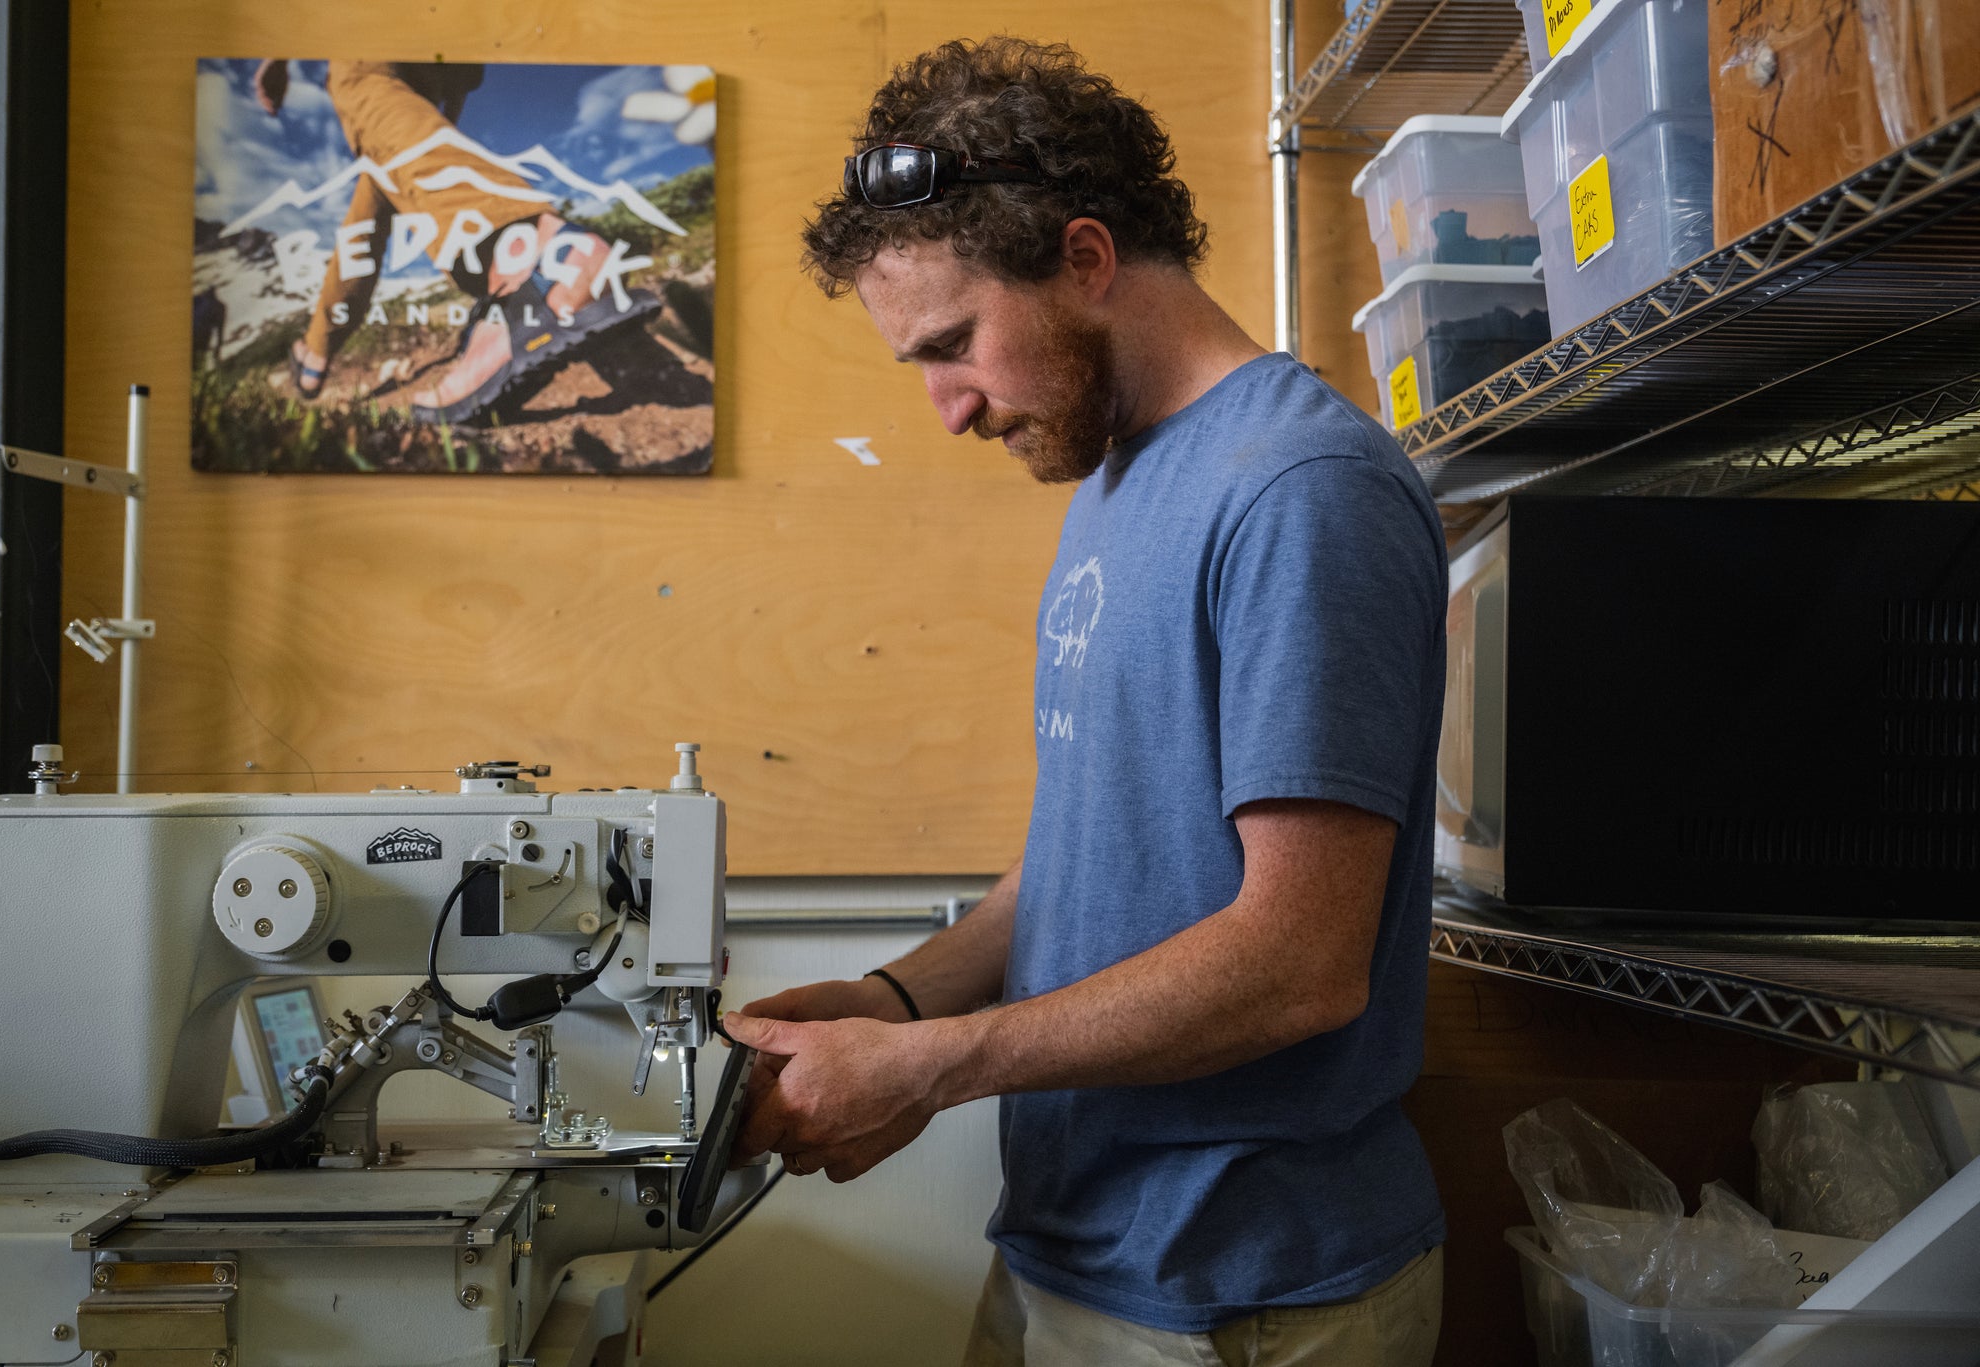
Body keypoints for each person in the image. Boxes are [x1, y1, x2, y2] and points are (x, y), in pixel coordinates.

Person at [724, 37, 1449, 1367]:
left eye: (953, 345)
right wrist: (894, 1004)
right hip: (1075, 1249)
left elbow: (1300, 959)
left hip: (1239, 1289)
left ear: (1087, 256)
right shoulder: (1119, 481)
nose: (947, 409)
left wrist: (935, 1067)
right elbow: (1080, 865)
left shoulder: (1299, 492)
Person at [251, 59, 642, 421]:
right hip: (449, 66)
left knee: (365, 86)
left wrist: (277, 57)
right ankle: (316, 351)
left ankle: (535, 264)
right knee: (378, 195)